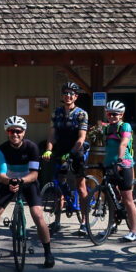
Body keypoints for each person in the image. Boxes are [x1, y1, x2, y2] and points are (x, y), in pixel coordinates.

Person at [0, 116, 55, 268]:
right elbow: (1, 174)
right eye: (11, 131)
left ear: (24, 132)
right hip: (8, 181)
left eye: (18, 131)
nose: (15, 134)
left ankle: (48, 253)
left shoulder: (32, 147)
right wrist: (10, 182)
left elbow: (34, 174)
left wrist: (21, 181)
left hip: (29, 182)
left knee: (38, 215)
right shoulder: (2, 149)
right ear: (7, 132)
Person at [42, 81, 90, 235]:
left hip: (75, 151)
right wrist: (48, 150)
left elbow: (81, 138)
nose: (68, 96)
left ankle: (84, 222)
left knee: (81, 187)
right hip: (60, 150)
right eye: (65, 93)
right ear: (62, 96)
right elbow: (51, 135)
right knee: (58, 186)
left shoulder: (81, 114)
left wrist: (72, 153)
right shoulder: (56, 113)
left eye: (71, 93)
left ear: (76, 96)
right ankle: (57, 221)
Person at [102, 100, 136, 243]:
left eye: (115, 114)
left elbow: (124, 143)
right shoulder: (106, 128)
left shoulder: (125, 126)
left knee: (127, 198)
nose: (111, 116)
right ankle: (112, 225)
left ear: (121, 115)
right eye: (109, 114)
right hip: (109, 165)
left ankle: (133, 231)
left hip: (123, 165)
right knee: (110, 197)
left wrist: (119, 160)